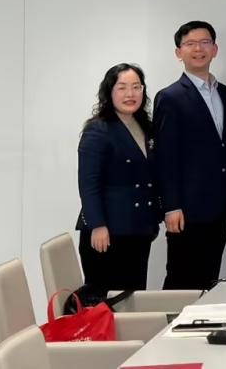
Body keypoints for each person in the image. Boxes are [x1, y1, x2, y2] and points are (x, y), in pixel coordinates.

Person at [154, 20, 226, 289]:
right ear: (178, 52)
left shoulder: (224, 93)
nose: (198, 49)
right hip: (187, 209)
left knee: (209, 277)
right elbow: (165, 157)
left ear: (215, 50)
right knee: (181, 280)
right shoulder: (170, 97)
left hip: (218, 205)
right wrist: (171, 206)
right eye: (190, 44)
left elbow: (225, 148)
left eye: (205, 43)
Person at [76, 63, 159, 291]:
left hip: (138, 230)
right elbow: (89, 184)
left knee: (133, 298)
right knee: (107, 303)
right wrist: (97, 225)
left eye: (136, 87)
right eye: (122, 87)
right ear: (109, 92)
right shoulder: (98, 130)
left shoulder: (145, 126)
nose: (130, 94)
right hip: (107, 233)